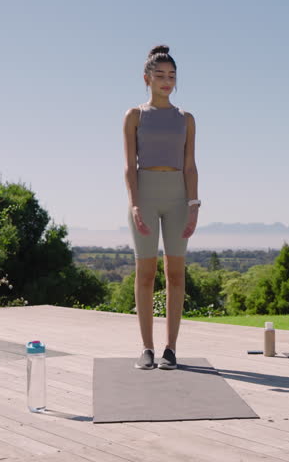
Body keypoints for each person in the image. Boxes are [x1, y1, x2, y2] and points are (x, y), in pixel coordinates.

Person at [122, 45, 199, 370]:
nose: (167, 81)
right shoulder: (135, 116)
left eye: (171, 76)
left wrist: (194, 204)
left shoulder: (186, 119)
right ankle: (147, 348)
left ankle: (170, 348)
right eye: (160, 75)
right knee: (146, 274)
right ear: (147, 78)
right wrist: (135, 205)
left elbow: (191, 165)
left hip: (179, 196)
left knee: (176, 274)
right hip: (146, 196)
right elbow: (128, 166)